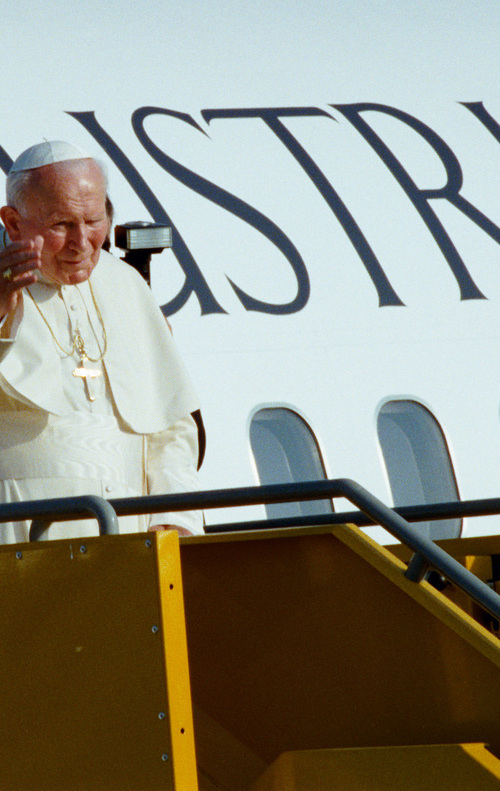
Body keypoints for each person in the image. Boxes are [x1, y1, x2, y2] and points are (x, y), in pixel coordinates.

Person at [0, 140, 203, 542]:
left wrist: (174, 516)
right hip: (18, 536)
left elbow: (170, 425)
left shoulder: (127, 285)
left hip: (127, 537)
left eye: (94, 221)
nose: (82, 242)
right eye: (61, 225)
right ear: (14, 223)